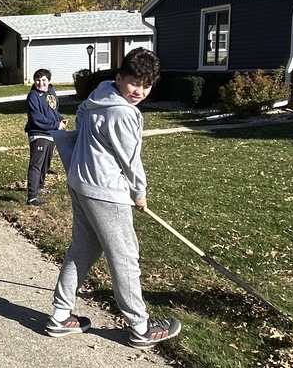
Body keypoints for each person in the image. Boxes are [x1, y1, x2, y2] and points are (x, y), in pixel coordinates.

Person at [43, 48, 182, 349]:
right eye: (134, 83)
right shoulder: (123, 113)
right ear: (119, 78)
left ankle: (60, 316)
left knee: (83, 249)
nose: (139, 91)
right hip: (105, 191)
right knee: (124, 256)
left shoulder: (99, 94)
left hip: (80, 182)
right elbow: (131, 161)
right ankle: (141, 327)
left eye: (146, 86)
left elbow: (81, 116)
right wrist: (139, 193)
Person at [23, 68, 67, 207]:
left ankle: (40, 186)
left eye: (43, 80)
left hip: (51, 133)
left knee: (45, 164)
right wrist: (56, 124)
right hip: (38, 133)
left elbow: (53, 110)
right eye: (38, 80)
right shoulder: (33, 96)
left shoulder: (51, 92)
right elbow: (36, 117)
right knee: (36, 164)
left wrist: (60, 119)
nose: (40, 83)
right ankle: (32, 197)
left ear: (49, 81)